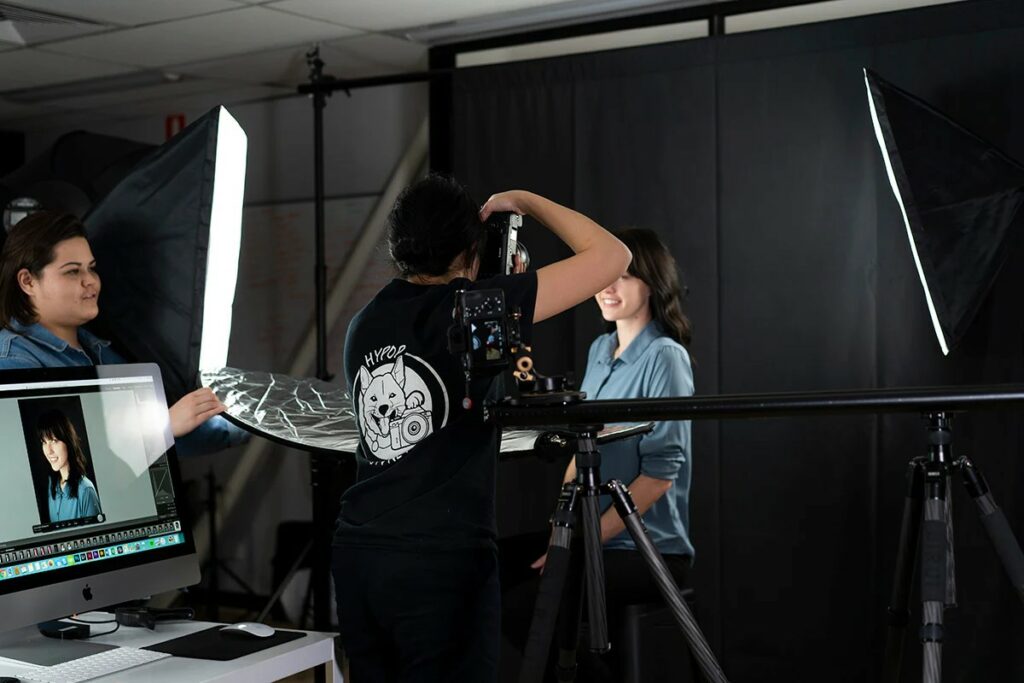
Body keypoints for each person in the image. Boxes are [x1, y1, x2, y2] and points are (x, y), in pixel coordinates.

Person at [333, 174, 631, 682]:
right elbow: (613, 257)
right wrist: (527, 202)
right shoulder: (479, 308)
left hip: (361, 553)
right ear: (473, 249)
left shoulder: (365, 322)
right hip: (442, 560)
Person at [532, 227, 695, 680]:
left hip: (648, 551)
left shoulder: (664, 357)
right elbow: (581, 447)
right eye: (604, 276)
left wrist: (579, 541)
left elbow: (659, 478)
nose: (607, 286)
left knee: (534, 609)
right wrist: (559, 529)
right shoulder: (599, 349)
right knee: (496, 575)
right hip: (591, 536)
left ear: (652, 284)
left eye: (623, 276)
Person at [0, 211, 246, 455]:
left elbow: (172, 438)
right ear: (28, 282)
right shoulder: (13, 362)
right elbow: (49, 466)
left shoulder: (102, 350)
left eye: (92, 268)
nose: (91, 281)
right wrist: (162, 427)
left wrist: (255, 422)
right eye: (72, 271)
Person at [36, 408, 102, 523]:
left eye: (54, 441)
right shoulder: (52, 484)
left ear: (68, 442)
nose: (48, 451)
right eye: (44, 442)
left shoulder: (86, 491)